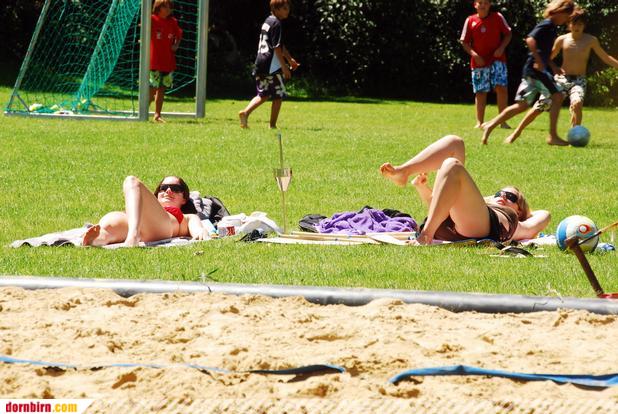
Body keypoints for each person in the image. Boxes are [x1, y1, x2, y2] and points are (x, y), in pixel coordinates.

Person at [379, 135, 550, 245]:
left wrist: (525, 213)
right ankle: (403, 171)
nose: (503, 196)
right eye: (500, 193)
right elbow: (437, 205)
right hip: (447, 223)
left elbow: (545, 215)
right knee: (455, 142)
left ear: (519, 210)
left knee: (452, 165)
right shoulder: (478, 205)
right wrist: (422, 187)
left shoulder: (519, 224)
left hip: (484, 227)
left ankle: (425, 235)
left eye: (511, 196)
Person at [504, 8, 618, 144]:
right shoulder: (562, 39)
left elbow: (605, 57)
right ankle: (515, 134)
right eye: (574, 23)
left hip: (579, 81)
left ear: (584, 25)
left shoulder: (591, 40)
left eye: (580, 24)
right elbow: (548, 57)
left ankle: (575, 137)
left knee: (577, 103)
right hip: (561, 79)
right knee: (539, 107)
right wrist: (538, 66)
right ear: (569, 25)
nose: (577, 27)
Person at [481, 0, 576, 146]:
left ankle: (490, 125)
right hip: (536, 70)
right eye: (566, 17)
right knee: (557, 96)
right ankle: (552, 136)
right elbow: (530, 40)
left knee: (522, 105)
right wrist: (538, 61)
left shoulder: (552, 27)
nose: (566, 21)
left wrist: (553, 66)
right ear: (560, 12)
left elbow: (544, 52)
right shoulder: (547, 24)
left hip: (533, 70)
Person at [82, 176, 211, 247]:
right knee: (110, 224)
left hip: (162, 227)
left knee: (131, 181)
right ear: (156, 195)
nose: (168, 191)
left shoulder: (188, 216)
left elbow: (198, 229)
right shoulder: (143, 207)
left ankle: (133, 236)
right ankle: (99, 239)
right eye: (163, 188)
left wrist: (200, 231)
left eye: (175, 189)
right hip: (136, 224)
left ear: (184, 199)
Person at [238, 0, 299, 129]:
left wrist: (290, 59)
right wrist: (284, 67)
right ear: (275, 9)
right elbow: (276, 48)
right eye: (284, 8)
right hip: (272, 65)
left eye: (288, 8)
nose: (287, 10)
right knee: (278, 96)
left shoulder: (268, 21)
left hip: (260, 63)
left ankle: (245, 113)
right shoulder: (277, 23)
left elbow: (279, 45)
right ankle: (272, 125)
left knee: (263, 94)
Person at [459, 0, 512, 129]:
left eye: (486, 3)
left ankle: (502, 122)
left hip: (497, 59)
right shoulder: (470, 20)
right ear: (475, 5)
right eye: (480, 2)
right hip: (479, 62)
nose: (483, 5)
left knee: (501, 88)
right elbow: (464, 42)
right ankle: (479, 122)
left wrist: (501, 48)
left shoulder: (498, 17)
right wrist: (475, 55)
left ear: (490, 5)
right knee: (481, 91)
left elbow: (508, 34)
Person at [150, 0, 183, 123]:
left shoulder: (173, 22)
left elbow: (179, 35)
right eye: (165, 7)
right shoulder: (151, 19)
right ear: (158, 7)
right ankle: (142, 111)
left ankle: (157, 115)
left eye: (170, 7)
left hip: (167, 61)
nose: (168, 9)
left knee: (162, 88)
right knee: (152, 87)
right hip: (154, 60)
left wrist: (176, 45)